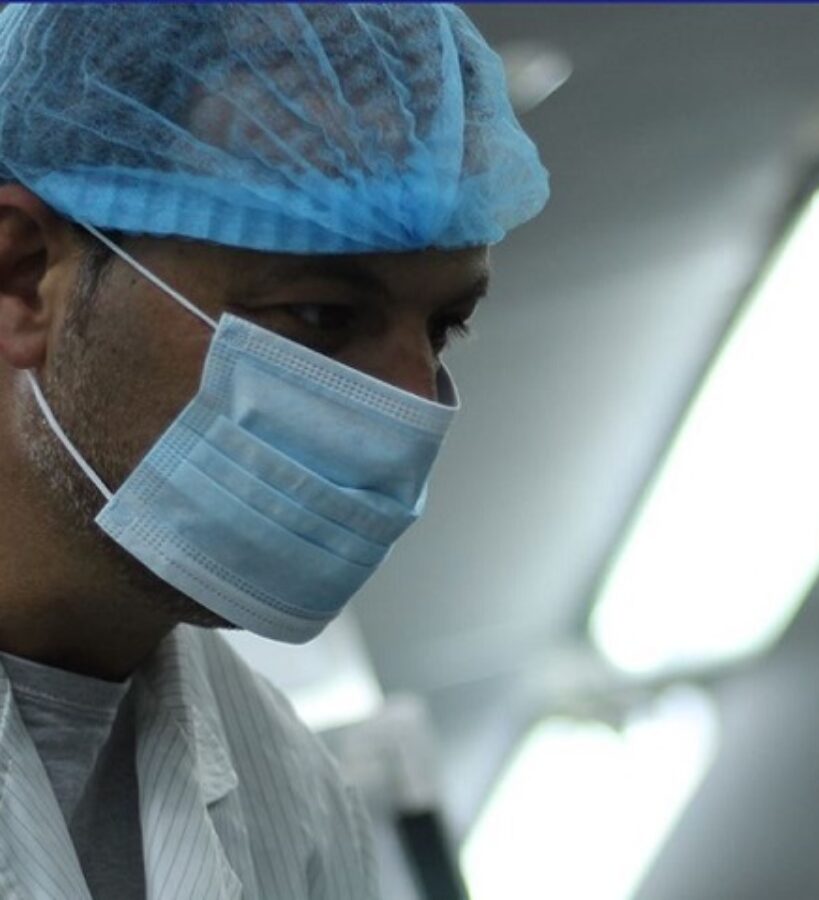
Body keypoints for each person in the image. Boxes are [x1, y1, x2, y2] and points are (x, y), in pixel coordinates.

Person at [0, 4, 548, 898]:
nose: (408, 406)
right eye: (322, 315)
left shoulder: (296, 804)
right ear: (24, 278)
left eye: (443, 327)